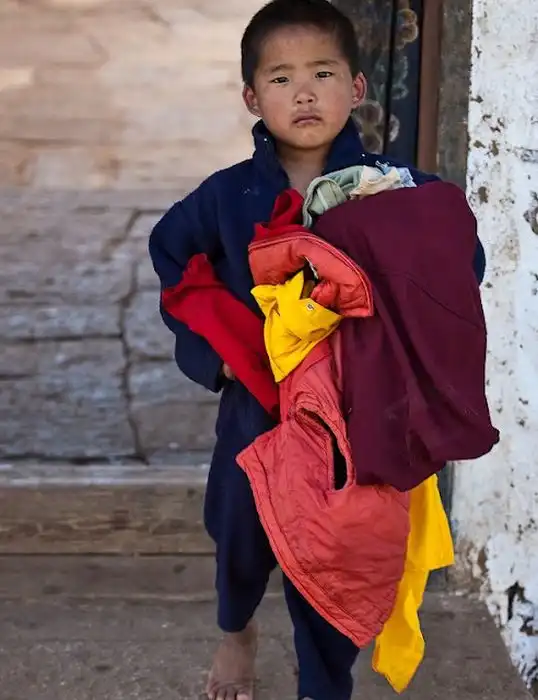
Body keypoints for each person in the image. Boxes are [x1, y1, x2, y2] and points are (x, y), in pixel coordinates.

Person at [149, 2, 485, 699]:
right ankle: (237, 630)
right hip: (259, 407)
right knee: (240, 534)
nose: (303, 93)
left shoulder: (396, 190)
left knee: (338, 550)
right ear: (253, 97)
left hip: (353, 413)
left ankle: (323, 683)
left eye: (323, 74)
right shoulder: (228, 196)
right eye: (281, 78)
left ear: (356, 88)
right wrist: (214, 357)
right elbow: (173, 257)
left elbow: (461, 259)